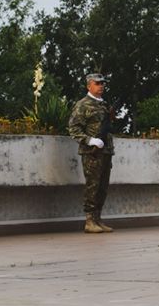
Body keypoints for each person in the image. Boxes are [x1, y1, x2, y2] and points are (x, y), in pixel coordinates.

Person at [68, 73, 115, 234]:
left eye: (102, 83)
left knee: (103, 187)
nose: (101, 86)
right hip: (92, 153)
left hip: (106, 151)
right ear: (89, 86)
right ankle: (89, 220)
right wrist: (90, 141)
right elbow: (73, 129)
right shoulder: (82, 105)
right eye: (97, 83)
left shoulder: (104, 105)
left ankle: (97, 218)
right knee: (92, 186)